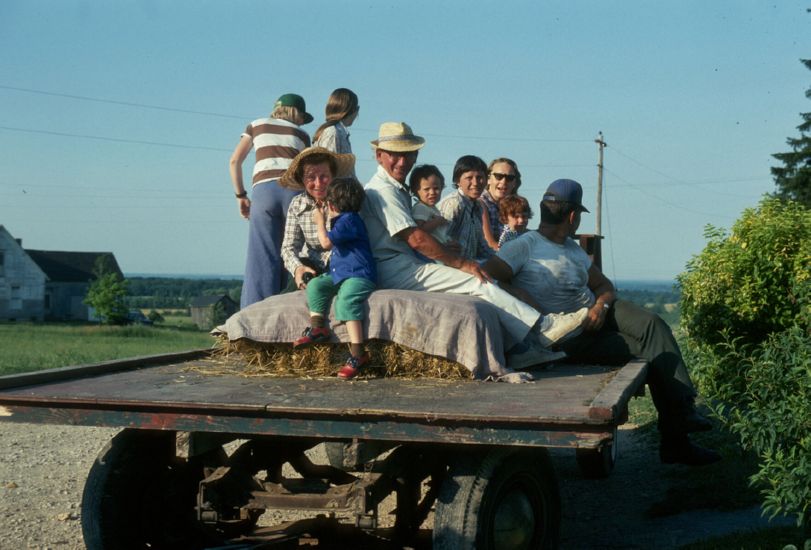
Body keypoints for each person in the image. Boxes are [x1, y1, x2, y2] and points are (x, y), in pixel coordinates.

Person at [482, 178, 721, 465]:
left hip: (595, 315)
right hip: (565, 337)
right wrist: (520, 296)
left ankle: (682, 412)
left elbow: (605, 285)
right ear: (572, 217)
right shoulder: (525, 246)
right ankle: (676, 441)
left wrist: (601, 305)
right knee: (648, 350)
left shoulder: (573, 249)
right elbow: (487, 278)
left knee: (653, 324)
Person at [360, 122, 587, 366]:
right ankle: (543, 327)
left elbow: (478, 242)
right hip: (395, 266)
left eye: (407, 154)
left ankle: (520, 348)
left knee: (489, 280)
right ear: (379, 155)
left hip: (407, 262)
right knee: (478, 281)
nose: (402, 161)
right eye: (395, 154)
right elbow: (415, 238)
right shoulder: (383, 190)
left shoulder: (400, 189)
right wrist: (462, 263)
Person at [229, 93, 313, 308]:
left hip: (264, 191)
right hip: (294, 192)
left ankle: (253, 314)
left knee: (262, 255)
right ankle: (288, 309)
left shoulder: (256, 125)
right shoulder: (302, 135)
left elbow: (234, 161)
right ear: (298, 114)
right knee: (291, 252)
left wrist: (241, 195)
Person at [292, 177, 376, 380]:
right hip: (341, 274)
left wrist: (320, 222)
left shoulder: (350, 220)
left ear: (331, 205)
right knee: (316, 285)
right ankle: (318, 325)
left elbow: (326, 242)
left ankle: (358, 354)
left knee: (345, 299)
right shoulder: (344, 221)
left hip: (358, 276)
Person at [279, 147, 356, 291]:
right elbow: (289, 247)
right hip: (312, 265)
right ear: (302, 180)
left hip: (344, 263)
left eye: (324, 176)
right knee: (288, 296)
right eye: (311, 177)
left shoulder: (345, 200)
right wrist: (298, 269)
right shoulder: (297, 204)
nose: (318, 184)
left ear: (333, 175)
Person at [437, 155, 496, 261]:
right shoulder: (454, 203)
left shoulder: (478, 207)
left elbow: (482, 247)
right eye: (469, 178)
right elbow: (440, 238)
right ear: (457, 181)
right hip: (450, 265)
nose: (475, 183)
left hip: (469, 264)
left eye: (479, 177)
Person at [481, 158, 522, 250]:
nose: (503, 181)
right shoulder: (481, 203)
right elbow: (490, 244)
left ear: (514, 183)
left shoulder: (514, 206)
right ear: (488, 179)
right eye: (498, 176)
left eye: (509, 178)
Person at [409, 164, 450, 245]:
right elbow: (420, 230)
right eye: (426, 189)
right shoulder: (420, 208)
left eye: (436, 188)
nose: (432, 193)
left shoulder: (432, 208)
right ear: (415, 190)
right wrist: (438, 221)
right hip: (429, 254)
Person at [312, 88, 359, 158]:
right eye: (357, 108)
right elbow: (329, 165)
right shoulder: (332, 132)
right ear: (352, 110)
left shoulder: (337, 132)